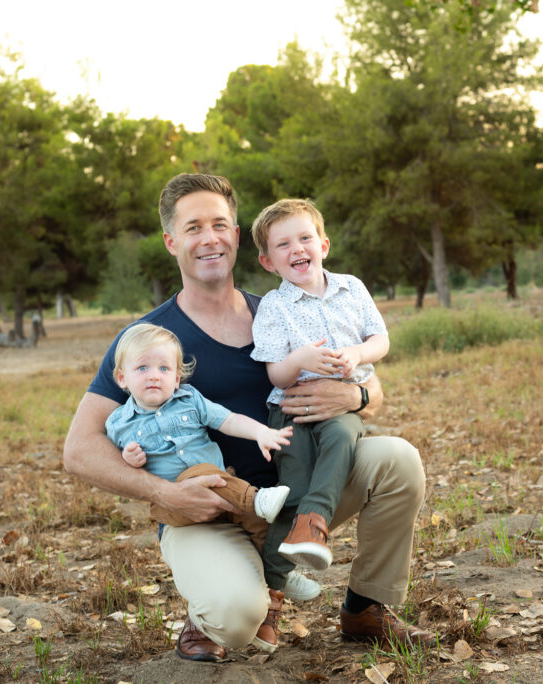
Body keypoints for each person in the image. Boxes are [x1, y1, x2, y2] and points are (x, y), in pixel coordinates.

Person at [63, 173, 432, 662]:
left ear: (237, 236)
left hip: (290, 493)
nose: (209, 238)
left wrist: (357, 397)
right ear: (171, 242)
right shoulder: (147, 341)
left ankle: (366, 607)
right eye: (193, 227)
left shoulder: (281, 312)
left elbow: (370, 384)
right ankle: (215, 604)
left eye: (220, 224)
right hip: (205, 511)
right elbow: (79, 449)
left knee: (397, 459)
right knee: (238, 619)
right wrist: (165, 493)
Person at [249, 199, 388, 577]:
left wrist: (357, 353)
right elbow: (276, 374)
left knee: (343, 434)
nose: (297, 248)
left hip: (340, 407)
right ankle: (275, 584)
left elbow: (381, 339)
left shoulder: (351, 289)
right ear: (268, 262)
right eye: (283, 244)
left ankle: (314, 523)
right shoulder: (274, 307)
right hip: (290, 410)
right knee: (292, 486)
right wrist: (300, 360)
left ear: (323, 245)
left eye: (305, 238)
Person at [105, 322, 293, 558]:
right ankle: (256, 498)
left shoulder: (190, 400)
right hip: (176, 505)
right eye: (142, 368)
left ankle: (278, 573)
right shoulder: (119, 423)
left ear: (176, 379)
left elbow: (229, 420)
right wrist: (128, 457)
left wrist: (260, 432)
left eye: (164, 369)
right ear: (122, 378)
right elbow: (113, 462)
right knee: (202, 472)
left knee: (260, 523)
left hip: (224, 488)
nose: (154, 376)